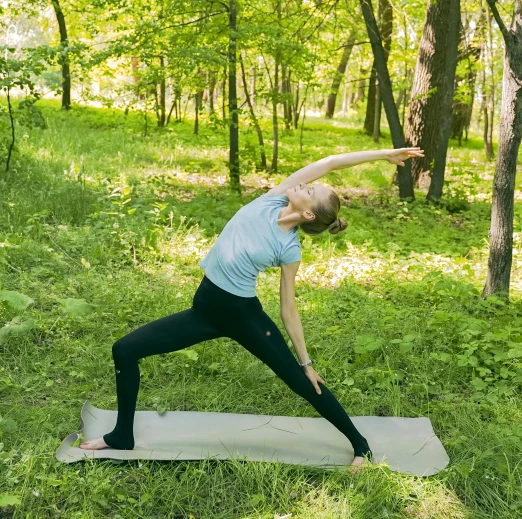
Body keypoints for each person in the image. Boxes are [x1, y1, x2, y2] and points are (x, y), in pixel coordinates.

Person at [81, 146, 423, 471]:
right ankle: (122, 435)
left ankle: (359, 444)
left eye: (312, 191)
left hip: (243, 316)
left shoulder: (289, 248)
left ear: (308, 213)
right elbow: (330, 161)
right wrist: (385, 155)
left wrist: (306, 362)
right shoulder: (271, 199)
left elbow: (289, 308)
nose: (306, 184)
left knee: (302, 382)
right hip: (203, 313)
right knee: (124, 350)